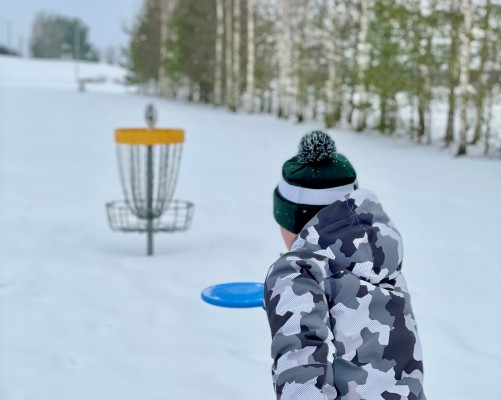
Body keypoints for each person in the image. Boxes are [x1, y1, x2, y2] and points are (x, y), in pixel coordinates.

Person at [264, 131, 425, 400]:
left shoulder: (297, 271)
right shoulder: (380, 258)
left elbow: (300, 378)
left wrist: (286, 293)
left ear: (291, 220)